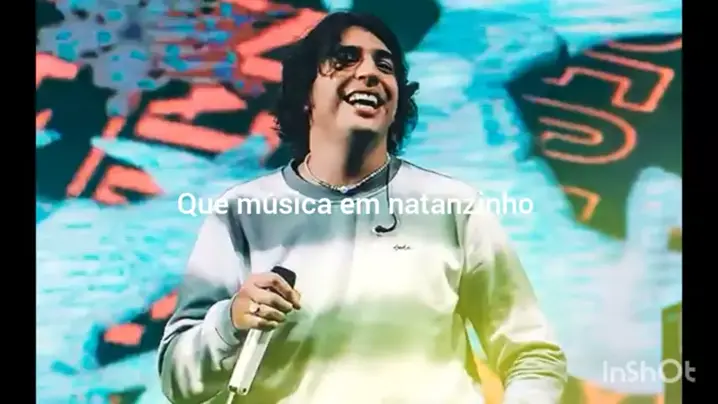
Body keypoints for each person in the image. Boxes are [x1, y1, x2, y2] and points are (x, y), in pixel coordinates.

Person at [158, 11, 567, 404]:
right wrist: (230, 321)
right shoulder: (242, 211)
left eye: (385, 66)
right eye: (344, 59)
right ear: (305, 95)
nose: (370, 73)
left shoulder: (454, 207)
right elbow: (177, 379)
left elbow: (532, 354)